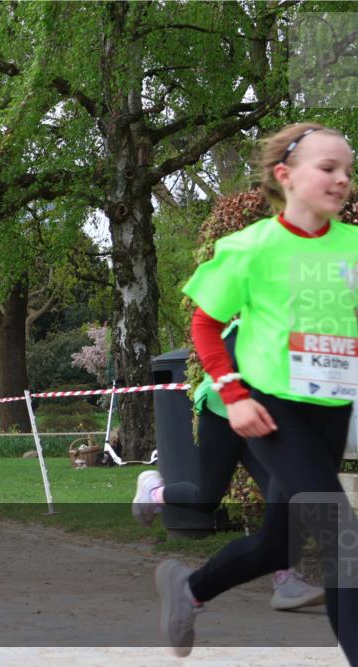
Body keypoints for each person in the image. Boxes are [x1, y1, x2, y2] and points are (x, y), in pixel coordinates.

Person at [156, 123, 357, 661]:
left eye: (347, 170)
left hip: (331, 409)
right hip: (271, 410)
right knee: (340, 536)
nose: (342, 180)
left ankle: (190, 589)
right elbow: (205, 325)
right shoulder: (250, 247)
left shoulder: (354, 247)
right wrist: (234, 394)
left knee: (279, 544)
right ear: (285, 176)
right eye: (328, 168)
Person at [133, 323, 325, 612]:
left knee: (283, 491)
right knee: (206, 499)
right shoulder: (264, 317)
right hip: (223, 411)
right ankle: (154, 492)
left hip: (262, 417)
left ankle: (285, 579)